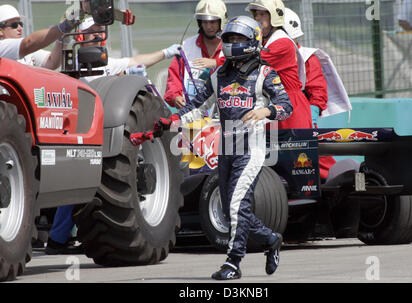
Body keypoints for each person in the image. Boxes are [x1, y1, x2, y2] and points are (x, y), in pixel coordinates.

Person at [131, 16, 292, 280]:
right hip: (225, 148)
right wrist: (171, 120)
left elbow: (286, 106)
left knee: (238, 205)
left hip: (250, 150)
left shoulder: (265, 74)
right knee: (233, 210)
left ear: (253, 41)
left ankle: (233, 263)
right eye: (229, 39)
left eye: (239, 39)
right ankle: (272, 239)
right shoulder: (219, 75)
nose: (232, 43)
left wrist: (265, 110)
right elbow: (195, 106)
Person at [45, 17, 183, 255]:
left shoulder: (106, 63)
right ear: (80, 36)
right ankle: (57, 239)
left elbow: (137, 60)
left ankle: (60, 238)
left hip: (97, 129)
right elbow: (50, 66)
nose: (98, 35)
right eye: (92, 31)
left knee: (82, 186)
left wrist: (166, 52)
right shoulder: (71, 63)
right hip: (77, 130)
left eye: (101, 31)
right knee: (76, 185)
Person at [283, 8, 352, 180]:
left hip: (299, 121)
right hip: (271, 119)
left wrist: (311, 117)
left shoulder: (307, 58)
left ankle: (339, 181)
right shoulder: (264, 55)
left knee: (316, 162)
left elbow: (318, 93)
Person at [245, 0, 312, 130]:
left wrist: (217, 61)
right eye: (256, 15)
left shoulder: (281, 42)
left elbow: (250, 62)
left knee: (292, 149)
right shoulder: (265, 40)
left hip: (290, 109)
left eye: (262, 14)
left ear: (274, 17)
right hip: (273, 105)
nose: (257, 18)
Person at [164, 0, 227, 109]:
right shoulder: (186, 46)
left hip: (225, 112)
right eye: (205, 22)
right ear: (199, 22)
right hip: (192, 113)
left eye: (212, 22)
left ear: (221, 21)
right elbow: (175, 76)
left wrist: (216, 63)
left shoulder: (232, 45)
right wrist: (175, 97)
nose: (208, 26)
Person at [0, 3, 80, 68]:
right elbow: (28, 43)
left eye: (20, 24)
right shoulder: (2, 47)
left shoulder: (26, 52)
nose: (20, 28)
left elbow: (52, 62)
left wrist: (63, 36)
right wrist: (64, 26)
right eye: (14, 25)